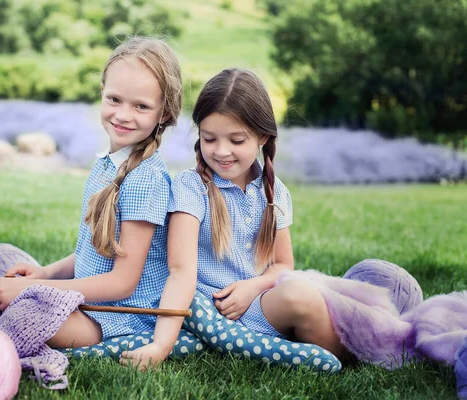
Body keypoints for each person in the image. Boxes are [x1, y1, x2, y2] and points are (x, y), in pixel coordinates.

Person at [121, 68, 348, 368]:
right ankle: (325, 355)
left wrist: (252, 287)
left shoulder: (274, 192)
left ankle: (352, 354)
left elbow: (283, 264)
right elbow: (180, 271)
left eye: (237, 140)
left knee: (301, 294)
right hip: (210, 312)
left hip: (257, 305)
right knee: (300, 296)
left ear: (263, 136)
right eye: (210, 138)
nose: (222, 151)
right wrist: (161, 344)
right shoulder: (191, 188)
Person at [0, 37, 182, 349]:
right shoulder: (106, 164)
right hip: (85, 302)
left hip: (116, 316)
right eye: (115, 100)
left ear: (165, 113)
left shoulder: (147, 179)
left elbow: (122, 283)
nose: (123, 115)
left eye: (141, 106)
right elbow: (95, 251)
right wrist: (44, 274)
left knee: (21, 316)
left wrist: (34, 290)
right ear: (102, 92)